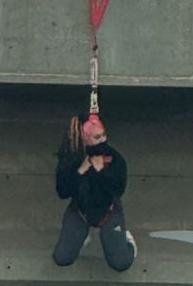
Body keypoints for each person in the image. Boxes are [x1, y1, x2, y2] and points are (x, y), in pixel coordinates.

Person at [53, 113, 136, 271]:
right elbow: (62, 191)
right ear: (85, 138)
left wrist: (101, 172)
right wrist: (80, 172)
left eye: (104, 135)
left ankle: (128, 241)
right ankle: (80, 239)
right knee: (62, 257)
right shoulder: (72, 157)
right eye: (97, 137)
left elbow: (118, 189)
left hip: (108, 209)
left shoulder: (114, 157)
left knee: (120, 262)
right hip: (81, 209)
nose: (102, 140)